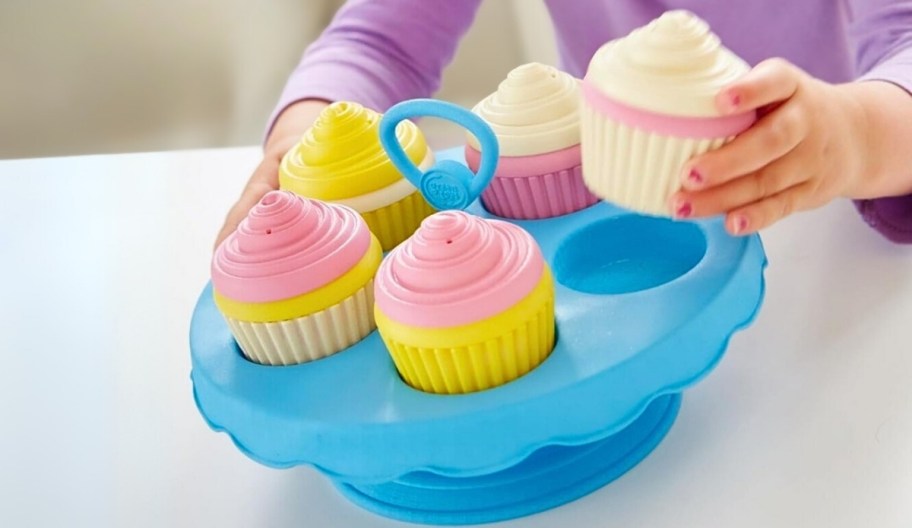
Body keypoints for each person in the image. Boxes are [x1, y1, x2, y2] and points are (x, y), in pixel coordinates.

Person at [215, 0, 912, 246]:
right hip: (603, 226)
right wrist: (305, 139)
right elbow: (378, 43)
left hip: (811, 220)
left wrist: (853, 133)